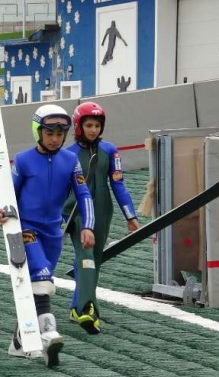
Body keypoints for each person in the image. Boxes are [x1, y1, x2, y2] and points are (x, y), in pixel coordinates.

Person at [0, 104, 95, 368]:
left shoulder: (70, 161)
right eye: (49, 132)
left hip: (53, 232)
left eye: (61, 133)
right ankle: (48, 332)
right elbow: (8, 194)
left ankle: (18, 342)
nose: (55, 138)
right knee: (42, 278)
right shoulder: (24, 160)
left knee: (34, 287)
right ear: (38, 131)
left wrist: (88, 226)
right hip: (25, 228)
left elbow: (84, 194)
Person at [63, 102, 139, 335]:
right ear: (79, 126)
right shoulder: (67, 155)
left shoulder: (110, 150)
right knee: (85, 257)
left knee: (92, 261)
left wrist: (131, 217)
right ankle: (88, 308)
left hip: (103, 210)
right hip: (76, 213)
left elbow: (118, 185)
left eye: (97, 125)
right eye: (89, 125)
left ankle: (77, 307)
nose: (93, 130)